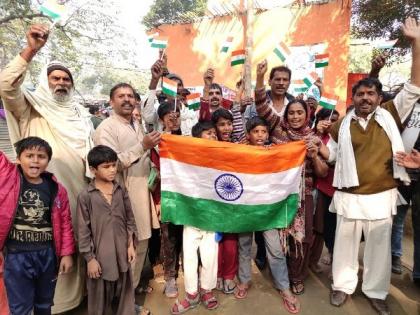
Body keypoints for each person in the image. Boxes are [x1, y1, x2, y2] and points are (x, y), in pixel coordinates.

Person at [319, 18, 420, 314]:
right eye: (360, 94)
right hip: (350, 196)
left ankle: (376, 291)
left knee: (378, 249)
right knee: (345, 247)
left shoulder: (391, 114)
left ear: (378, 97)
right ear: (353, 99)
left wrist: (416, 42)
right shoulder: (341, 125)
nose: (365, 98)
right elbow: (331, 156)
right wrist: (316, 146)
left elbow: (414, 86)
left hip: (381, 195)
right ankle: (342, 286)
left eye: (370, 94)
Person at [0, 24, 92, 313]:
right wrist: (31, 50)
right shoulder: (31, 106)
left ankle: (73, 301)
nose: (61, 83)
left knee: (72, 246)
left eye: (66, 79)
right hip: (39, 202)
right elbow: (5, 86)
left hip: (78, 197)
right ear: (45, 80)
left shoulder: (80, 114)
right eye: (55, 78)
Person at [255, 59, 329, 297]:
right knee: (278, 237)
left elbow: (323, 172)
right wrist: (259, 77)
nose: (295, 117)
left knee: (300, 239)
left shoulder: (312, 138)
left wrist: (315, 156)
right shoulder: (277, 127)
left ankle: (296, 276)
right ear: (285, 115)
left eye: (300, 113)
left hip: (302, 196)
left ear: (307, 115)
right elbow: (261, 105)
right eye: (292, 113)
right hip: (277, 194)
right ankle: (281, 276)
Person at [93, 83, 161, 315]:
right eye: (121, 96)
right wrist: (142, 146)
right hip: (121, 197)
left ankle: (127, 299)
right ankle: (123, 305)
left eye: (130, 96)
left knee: (140, 245)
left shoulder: (135, 123)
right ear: (111, 102)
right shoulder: (106, 128)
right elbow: (108, 165)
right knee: (126, 250)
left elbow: (143, 157)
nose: (127, 100)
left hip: (142, 193)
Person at [0, 137, 75, 315]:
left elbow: (65, 222)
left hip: (47, 255)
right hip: (16, 256)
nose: (35, 160)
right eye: (29, 155)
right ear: (18, 159)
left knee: (44, 304)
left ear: (48, 161)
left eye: (41, 156)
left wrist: (66, 254)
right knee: (20, 308)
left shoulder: (56, 189)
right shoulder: (8, 178)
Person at [77, 145, 138, 315]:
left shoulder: (120, 189)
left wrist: (130, 245)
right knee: (99, 299)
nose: (112, 170)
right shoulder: (86, 196)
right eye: (106, 167)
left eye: (114, 165)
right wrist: (90, 259)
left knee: (124, 294)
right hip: (100, 258)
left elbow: (130, 219)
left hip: (122, 253)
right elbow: (83, 230)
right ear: (93, 169)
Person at [170, 121, 219, 314]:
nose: (214, 136)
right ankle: (191, 295)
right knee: (189, 257)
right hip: (190, 215)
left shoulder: (223, 156)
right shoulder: (188, 158)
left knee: (210, 256)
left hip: (212, 216)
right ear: (197, 137)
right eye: (209, 133)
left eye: (215, 133)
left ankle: (207, 290)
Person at [235, 117, 270, 299]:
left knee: (275, 248)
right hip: (245, 208)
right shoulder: (240, 151)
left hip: (268, 208)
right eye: (256, 131)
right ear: (248, 135)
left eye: (263, 131)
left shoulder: (274, 152)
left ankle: (283, 284)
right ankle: (244, 280)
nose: (260, 135)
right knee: (244, 245)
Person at [157, 102, 183, 297]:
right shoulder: (157, 142)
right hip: (167, 198)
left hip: (186, 198)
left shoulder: (188, 141)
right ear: (161, 120)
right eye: (170, 117)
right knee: (169, 239)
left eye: (177, 116)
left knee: (186, 237)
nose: (174, 120)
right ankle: (170, 278)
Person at [310, 108, 339, 275]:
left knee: (324, 228)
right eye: (328, 119)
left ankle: (316, 259)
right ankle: (308, 260)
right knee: (313, 227)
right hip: (314, 187)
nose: (331, 123)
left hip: (330, 189)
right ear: (319, 120)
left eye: (335, 120)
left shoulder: (339, 138)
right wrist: (317, 134)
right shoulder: (314, 135)